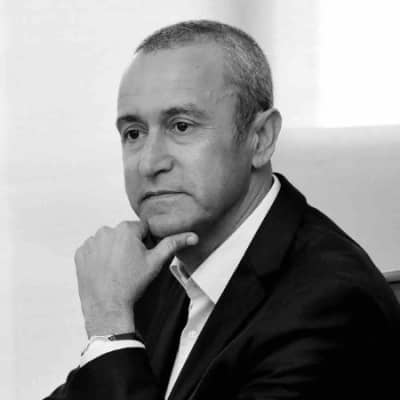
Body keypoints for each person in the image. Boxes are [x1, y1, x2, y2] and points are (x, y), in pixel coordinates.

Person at [45, 20, 400, 400]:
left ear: (260, 138)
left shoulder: (332, 304)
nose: (149, 163)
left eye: (181, 126)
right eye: (134, 133)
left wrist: (110, 327)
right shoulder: (158, 265)